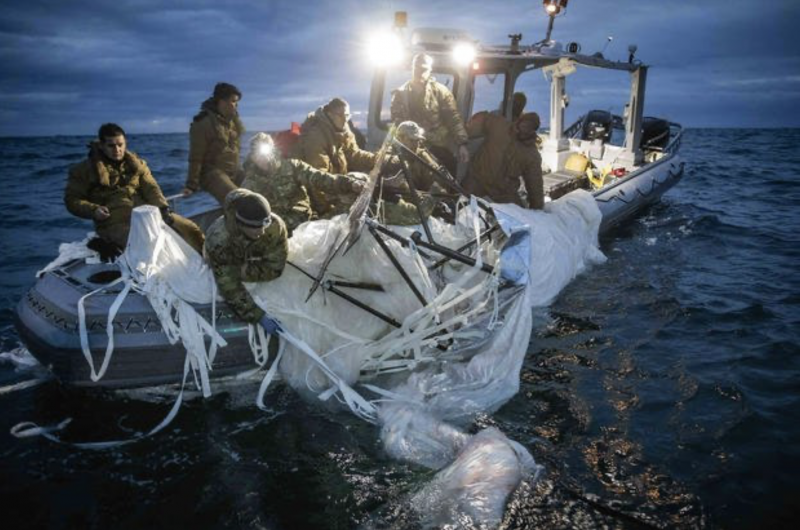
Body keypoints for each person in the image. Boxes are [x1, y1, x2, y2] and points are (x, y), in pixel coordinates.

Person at [64, 123, 205, 258]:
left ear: (125, 143)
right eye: (111, 146)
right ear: (101, 146)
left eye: (120, 145)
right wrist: (94, 210)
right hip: (113, 222)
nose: (117, 150)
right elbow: (72, 200)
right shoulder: (83, 170)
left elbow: (151, 188)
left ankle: (209, 262)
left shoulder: (137, 165)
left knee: (190, 229)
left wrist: (163, 209)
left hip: (146, 214)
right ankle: (101, 243)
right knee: (146, 244)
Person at [242, 133, 366, 235]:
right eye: (256, 154)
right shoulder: (250, 182)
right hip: (276, 234)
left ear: (272, 151)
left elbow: (320, 178)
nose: (262, 158)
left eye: (264, 152)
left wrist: (349, 184)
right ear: (252, 157)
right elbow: (242, 209)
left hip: (304, 225)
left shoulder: (292, 167)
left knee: (349, 205)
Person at [204, 189, 287, 333]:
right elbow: (230, 287)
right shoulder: (219, 240)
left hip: (247, 257)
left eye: (264, 225)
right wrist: (258, 316)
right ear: (241, 224)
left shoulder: (275, 226)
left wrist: (244, 270)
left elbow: (275, 268)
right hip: (225, 257)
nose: (261, 231)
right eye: (254, 227)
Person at [390, 53, 469, 175]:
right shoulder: (400, 94)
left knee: (447, 177)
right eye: (417, 67)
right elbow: (397, 124)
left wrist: (462, 144)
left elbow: (453, 118)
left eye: (424, 68)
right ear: (412, 68)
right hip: (410, 148)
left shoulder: (441, 92)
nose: (420, 71)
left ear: (430, 70)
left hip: (438, 146)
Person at [463, 112, 544, 209]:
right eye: (524, 122)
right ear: (520, 120)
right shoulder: (500, 125)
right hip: (478, 178)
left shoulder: (531, 154)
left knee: (518, 217)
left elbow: (535, 183)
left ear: (533, 131)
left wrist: (537, 208)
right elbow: (483, 118)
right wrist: (466, 132)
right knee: (460, 201)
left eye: (530, 126)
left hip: (503, 191)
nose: (525, 127)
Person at [182, 82, 245, 204]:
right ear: (222, 101)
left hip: (233, 171)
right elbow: (196, 156)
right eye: (233, 101)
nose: (236, 106)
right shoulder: (202, 123)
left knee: (260, 191)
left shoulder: (232, 122)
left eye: (237, 102)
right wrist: (191, 185)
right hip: (212, 174)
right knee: (239, 200)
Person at [290, 97, 376, 174]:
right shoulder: (315, 136)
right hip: (317, 186)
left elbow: (353, 154)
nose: (344, 120)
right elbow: (319, 175)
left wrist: (377, 159)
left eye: (346, 115)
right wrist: (343, 185)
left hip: (335, 183)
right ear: (330, 115)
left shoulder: (343, 130)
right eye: (340, 115)